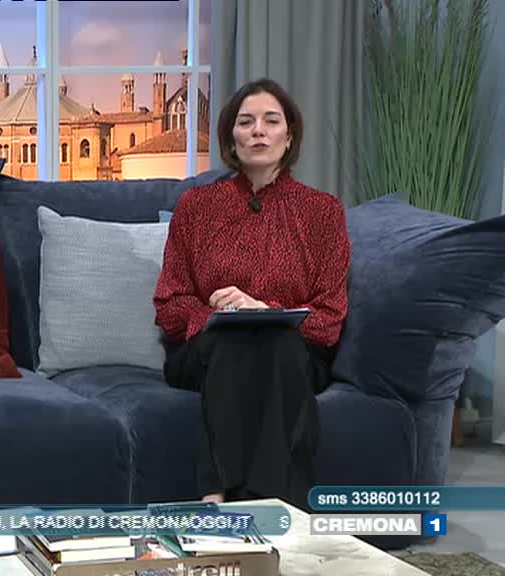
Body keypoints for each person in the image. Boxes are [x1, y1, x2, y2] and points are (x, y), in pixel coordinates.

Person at [153, 78, 350, 510]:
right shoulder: (196, 207)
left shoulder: (322, 212)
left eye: (271, 121)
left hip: (292, 350)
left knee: (277, 344)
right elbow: (169, 305)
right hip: (206, 348)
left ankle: (219, 498)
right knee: (234, 341)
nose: (259, 131)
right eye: (246, 122)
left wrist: (267, 310)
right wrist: (214, 313)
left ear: (289, 136)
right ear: (231, 138)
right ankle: (278, 506)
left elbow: (329, 319)